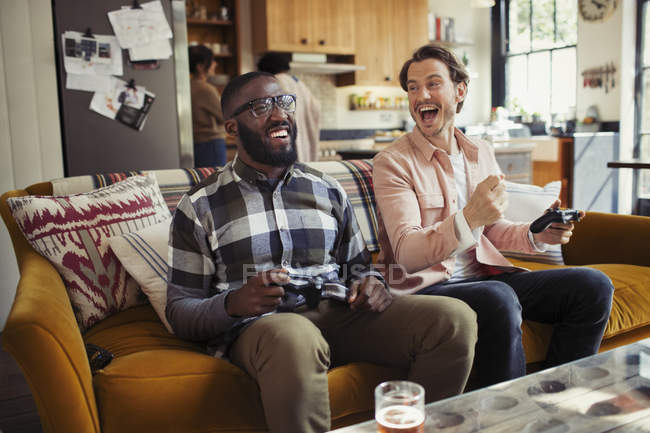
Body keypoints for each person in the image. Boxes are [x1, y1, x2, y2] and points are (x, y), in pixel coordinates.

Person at [166, 71, 478, 433]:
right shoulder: (200, 206)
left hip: (339, 312)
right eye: (260, 107)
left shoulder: (326, 189)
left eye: (284, 102)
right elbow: (180, 311)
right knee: (295, 338)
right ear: (232, 129)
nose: (279, 114)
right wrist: (234, 303)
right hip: (264, 327)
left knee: (453, 319)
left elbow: (359, 268)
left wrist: (372, 283)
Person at [372, 43, 614, 389]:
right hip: (427, 289)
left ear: (459, 91)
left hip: (484, 279)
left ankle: (555, 401)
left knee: (592, 286)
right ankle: (507, 417)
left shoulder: (479, 152)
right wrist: (469, 217)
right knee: (498, 298)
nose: (420, 94)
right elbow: (408, 254)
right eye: (413, 87)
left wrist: (536, 235)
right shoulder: (393, 162)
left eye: (432, 83)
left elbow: (491, 229)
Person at [257, 52, 321, 162]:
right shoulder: (299, 83)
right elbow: (316, 108)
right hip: (305, 142)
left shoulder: (274, 82)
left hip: (285, 141)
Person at [189, 45, 227, 167]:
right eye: (212, 62)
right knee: (215, 182)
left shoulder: (189, 86)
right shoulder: (206, 89)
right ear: (200, 66)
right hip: (211, 144)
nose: (215, 64)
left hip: (197, 143)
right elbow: (225, 115)